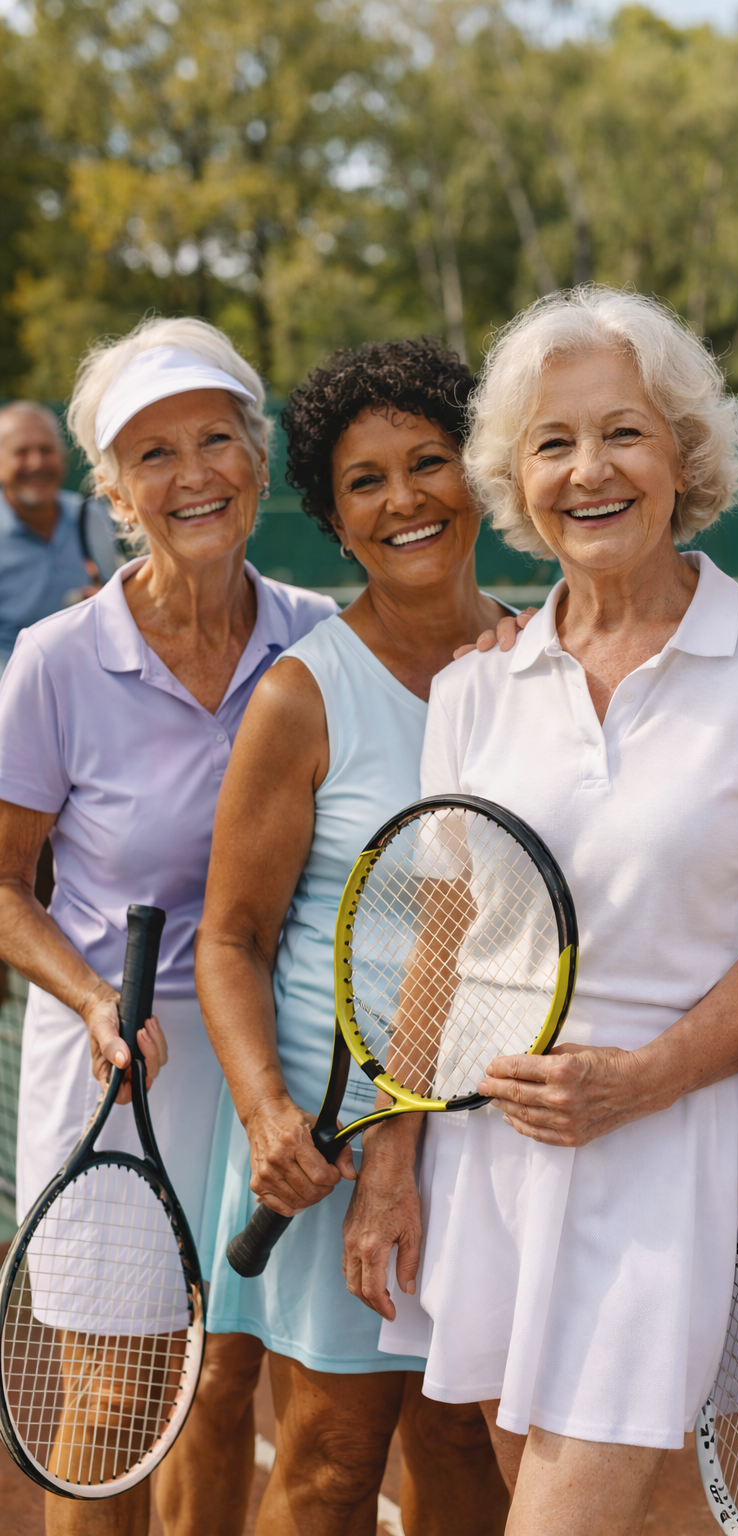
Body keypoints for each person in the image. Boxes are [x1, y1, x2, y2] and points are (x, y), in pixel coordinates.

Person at [341, 286, 738, 1536]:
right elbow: (444, 945)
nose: (590, 470)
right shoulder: (477, 692)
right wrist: (392, 1159)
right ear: (517, 480)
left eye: (622, 431)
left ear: (683, 452)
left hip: (684, 1152)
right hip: (500, 1162)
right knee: (659, 1518)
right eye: (552, 444)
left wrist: (643, 1078)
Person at [0, 316, 337, 1536]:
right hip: (116, 1069)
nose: (191, 474)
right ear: (114, 489)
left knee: (228, 1385)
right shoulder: (52, 662)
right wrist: (93, 1001)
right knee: (114, 1401)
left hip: (273, 1065)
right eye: (153, 454)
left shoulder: (322, 640)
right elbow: (3, 886)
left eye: (214, 441)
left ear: (257, 459)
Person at [194, 339, 511, 1536]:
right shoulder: (301, 694)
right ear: (331, 517)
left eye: (429, 461)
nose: (404, 499)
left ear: (478, 475)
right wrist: (271, 1113)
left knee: (462, 1445)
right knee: (329, 1458)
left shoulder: (545, 665)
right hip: (329, 1136)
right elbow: (229, 938)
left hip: (488, 1133)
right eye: (364, 481)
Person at [0, 400, 121, 670]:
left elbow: (112, 596)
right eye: (21, 452)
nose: (36, 463)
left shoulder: (92, 517)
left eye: (46, 450)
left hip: (89, 680)